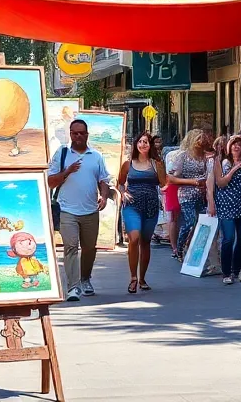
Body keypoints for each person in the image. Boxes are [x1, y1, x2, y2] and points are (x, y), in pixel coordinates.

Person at [48, 118, 112, 301]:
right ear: (70, 134)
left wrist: (104, 196)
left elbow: (103, 179)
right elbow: (50, 181)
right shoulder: (62, 154)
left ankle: (85, 279)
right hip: (67, 210)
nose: (78, 136)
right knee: (70, 247)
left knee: (89, 248)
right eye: (74, 133)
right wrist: (67, 171)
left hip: (90, 210)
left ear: (87, 135)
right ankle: (73, 287)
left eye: (81, 133)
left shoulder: (96, 156)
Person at [117, 131, 166, 294]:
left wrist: (160, 164)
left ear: (150, 145)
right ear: (136, 144)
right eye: (140, 141)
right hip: (132, 205)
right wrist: (123, 192)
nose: (143, 144)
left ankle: (143, 277)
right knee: (134, 238)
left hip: (151, 205)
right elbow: (121, 183)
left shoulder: (156, 163)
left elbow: (163, 182)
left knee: (145, 241)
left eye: (146, 142)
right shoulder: (128, 164)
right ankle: (133, 278)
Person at [213, 135, 241, 284]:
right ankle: (226, 271)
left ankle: (237, 268)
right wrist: (234, 169)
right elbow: (221, 183)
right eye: (234, 144)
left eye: (239, 145)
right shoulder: (223, 162)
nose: (236, 147)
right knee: (228, 238)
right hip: (227, 205)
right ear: (229, 147)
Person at [169, 129, 212, 258]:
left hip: (201, 194)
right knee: (190, 221)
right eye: (198, 139)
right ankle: (179, 249)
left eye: (202, 139)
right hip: (186, 194)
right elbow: (172, 178)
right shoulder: (183, 155)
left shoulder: (205, 157)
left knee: (201, 222)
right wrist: (193, 182)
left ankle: (194, 249)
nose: (201, 142)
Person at [162, 145, 182, 258]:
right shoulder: (176, 155)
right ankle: (175, 246)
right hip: (174, 187)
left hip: (177, 187)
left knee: (174, 218)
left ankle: (175, 246)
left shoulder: (174, 155)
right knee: (173, 217)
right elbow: (171, 174)